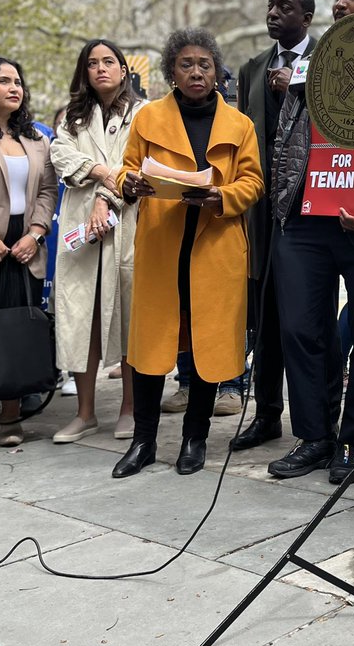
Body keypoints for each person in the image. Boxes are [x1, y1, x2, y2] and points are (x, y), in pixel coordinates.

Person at [112, 29, 264, 478]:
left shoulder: (239, 124)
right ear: (171, 72)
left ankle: (194, 440)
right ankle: (143, 442)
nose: (196, 72)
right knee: (151, 346)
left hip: (215, 247)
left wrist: (224, 196)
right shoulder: (148, 118)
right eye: (186, 64)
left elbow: (253, 182)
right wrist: (130, 183)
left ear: (217, 71)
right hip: (163, 245)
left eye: (205, 64)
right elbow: (126, 169)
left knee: (206, 347)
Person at [266, 0, 354, 486]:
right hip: (303, 218)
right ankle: (314, 436)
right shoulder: (306, 64)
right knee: (300, 329)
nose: (340, 3)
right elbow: (284, 139)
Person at [229, 0, 337, 450]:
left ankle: (315, 422)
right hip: (262, 210)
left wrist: (300, 84)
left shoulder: (328, 62)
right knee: (265, 316)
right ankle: (266, 413)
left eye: (285, 6)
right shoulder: (253, 68)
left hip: (312, 209)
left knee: (305, 320)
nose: (273, 12)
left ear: (307, 17)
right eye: (271, 5)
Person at [49, 40, 143, 443]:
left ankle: (130, 408)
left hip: (126, 220)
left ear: (123, 69)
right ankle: (85, 413)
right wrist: (100, 171)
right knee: (79, 317)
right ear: (83, 71)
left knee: (129, 314)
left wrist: (106, 196)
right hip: (79, 226)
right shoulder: (71, 116)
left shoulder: (143, 113)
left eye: (109, 61)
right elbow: (60, 154)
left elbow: (137, 165)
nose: (101, 68)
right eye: (92, 63)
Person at [0, 56, 57, 444]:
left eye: (18, 81)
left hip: (23, 247)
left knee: (14, 331)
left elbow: (47, 189)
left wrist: (37, 231)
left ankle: (11, 418)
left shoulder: (36, 138)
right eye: (4, 80)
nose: (14, 88)